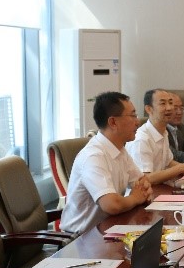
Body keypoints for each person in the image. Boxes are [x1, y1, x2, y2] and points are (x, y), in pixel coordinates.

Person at [60, 91, 154, 234]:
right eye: (133, 116)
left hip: (108, 229)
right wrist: (135, 198)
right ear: (113, 122)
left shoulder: (120, 150)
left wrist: (144, 190)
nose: (137, 122)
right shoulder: (93, 156)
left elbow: (142, 182)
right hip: (80, 238)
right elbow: (112, 205)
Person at [127, 89, 184, 185]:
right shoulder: (141, 139)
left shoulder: (163, 132)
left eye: (170, 103)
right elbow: (146, 178)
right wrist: (181, 168)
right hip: (145, 192)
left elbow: (169, 162)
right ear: (149, 109)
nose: (169, 108)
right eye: (163, 103)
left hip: (161, 188)